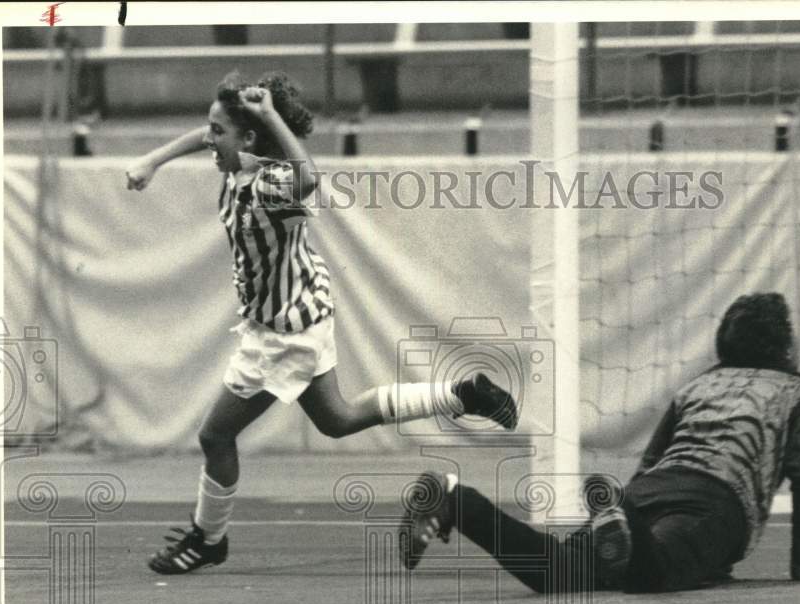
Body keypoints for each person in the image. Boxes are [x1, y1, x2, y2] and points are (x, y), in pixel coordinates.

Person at [125, 71, 517, 575]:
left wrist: (267, 115)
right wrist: (152, 160)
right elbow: (203, 136)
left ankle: (208, 537)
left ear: (249, 138)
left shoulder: (270, 185)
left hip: (283, 334)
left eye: (218, 131)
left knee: (214, 436)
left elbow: (308, 177)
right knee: (338, 419)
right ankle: (464, 395)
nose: (208, 139)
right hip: (303, 311)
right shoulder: (241, 160)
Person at [401, 292, 800, 592]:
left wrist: (628, 505)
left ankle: (457, 499)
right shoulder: (796, 390)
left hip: (650, 490)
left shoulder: (698, 386)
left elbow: (652, 460)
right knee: (654, 575)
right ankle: (625, 523)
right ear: (785, 348)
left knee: (557, 572)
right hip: (717, 501)